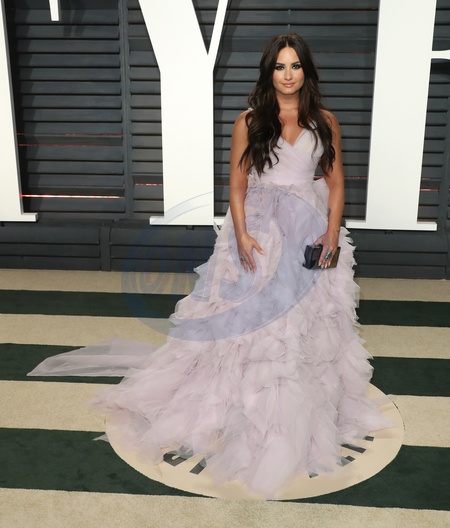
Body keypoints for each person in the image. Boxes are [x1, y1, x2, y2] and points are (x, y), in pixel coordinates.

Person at [29, 34, 390, 499]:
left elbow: (335, 182)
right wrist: (241, 234)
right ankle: (244, 404)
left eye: (295, 66)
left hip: (308, 229)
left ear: (307, 72)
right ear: (269, 73)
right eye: (279, 67)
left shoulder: (325, 122)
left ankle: (302, 406)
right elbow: (237, 184)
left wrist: (332, 233)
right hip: (260, 228)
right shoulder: (250, 121)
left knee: (309, 321)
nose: (287, 75)